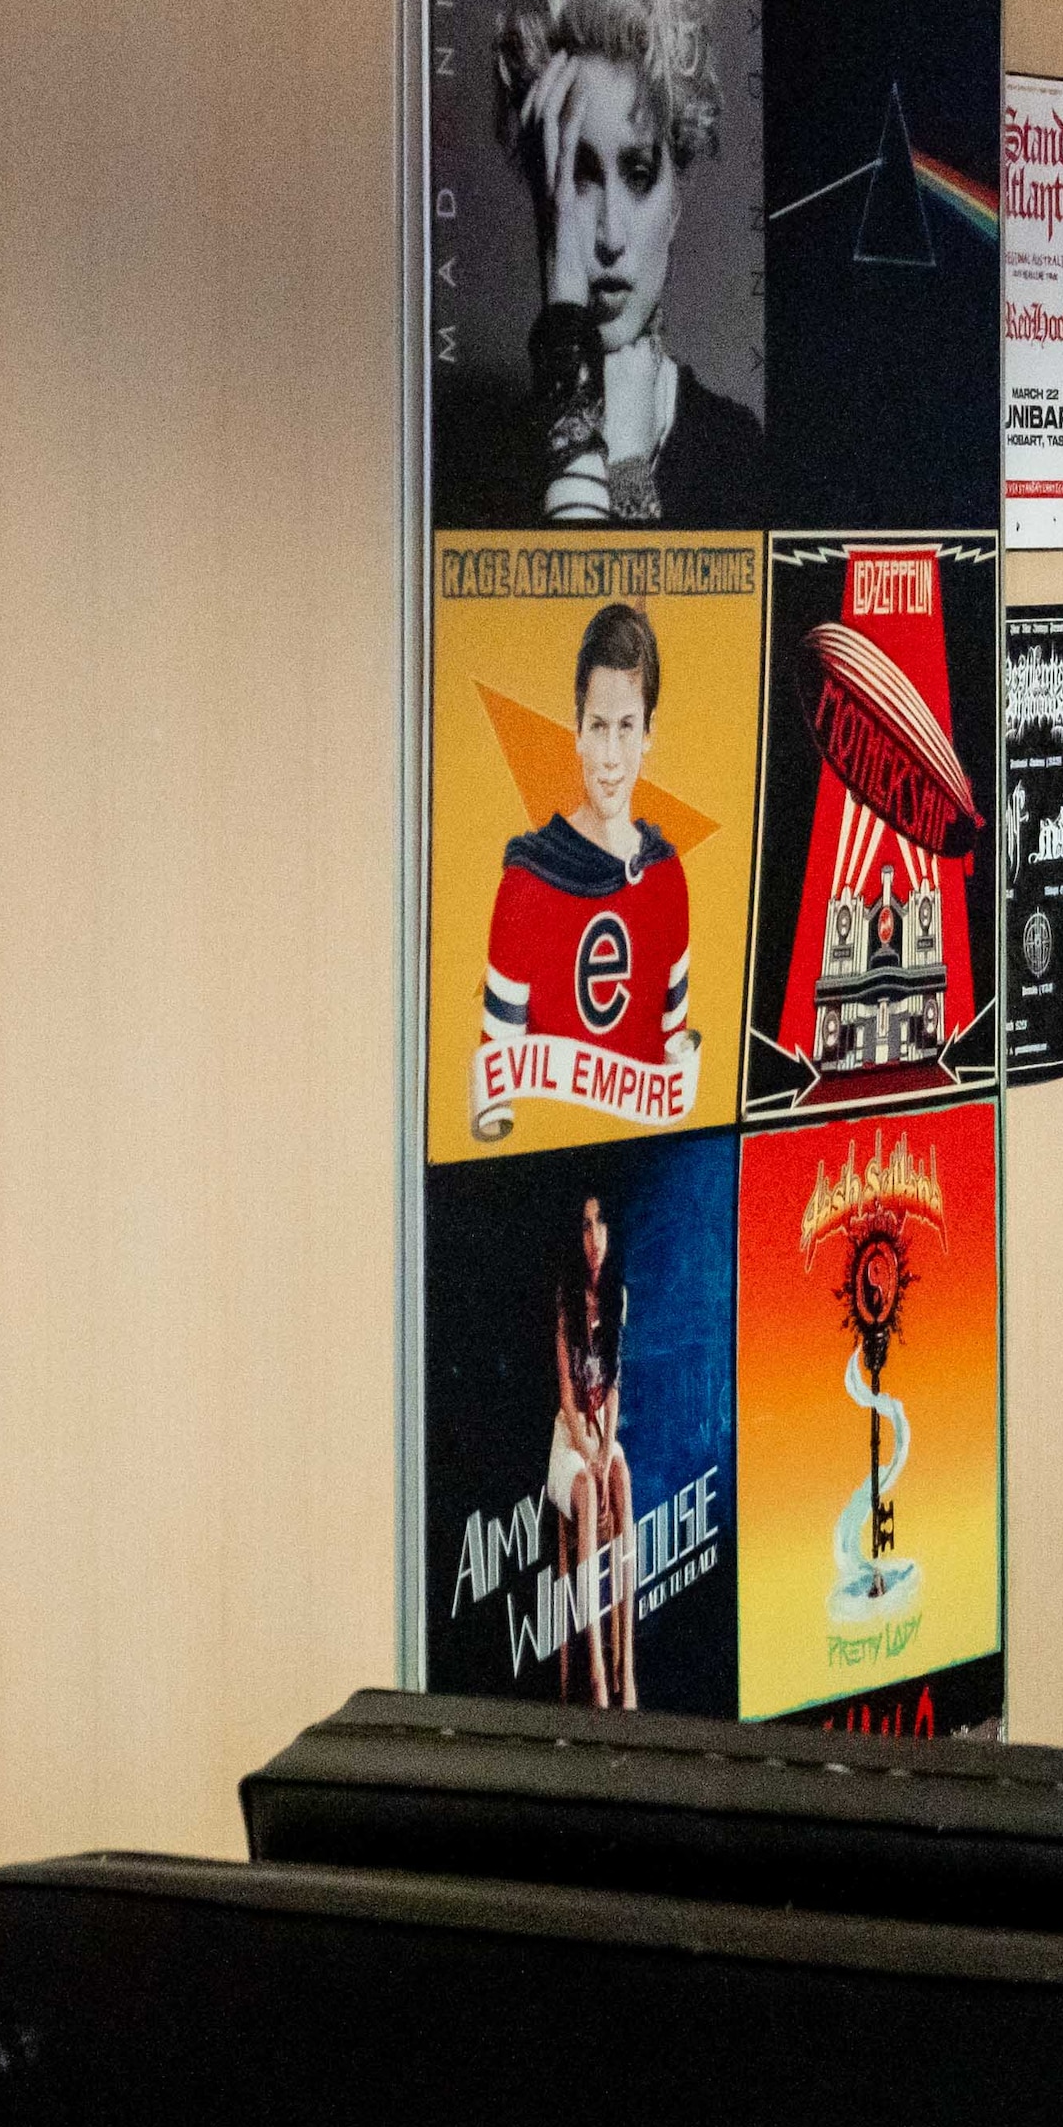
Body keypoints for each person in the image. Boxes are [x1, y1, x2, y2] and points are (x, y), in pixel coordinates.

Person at [475, 0, 759, 522]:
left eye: (637, 176)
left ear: (676, 200)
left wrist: (630, 475)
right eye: (578, 177)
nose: (607, 236)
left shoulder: (738, 454)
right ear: (542, 197)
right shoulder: (484, 469)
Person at [476, 605, 698, 1140]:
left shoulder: (666, 880)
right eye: (598, 727)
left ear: (649, 734)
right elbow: (496, 1103)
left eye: (627, 728)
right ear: (575, 729)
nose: (610, 758)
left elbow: (675, 1052)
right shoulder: (525, 885)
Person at [543, 1191, 639, 1708]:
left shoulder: (617, 1296)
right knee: (585, 1487)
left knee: (624, 1481)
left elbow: (616, 1388)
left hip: (602, 1436)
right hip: (571, 1437)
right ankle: (598, 1674)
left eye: (601, 1224)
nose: (594, 1236)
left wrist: (607, 1460)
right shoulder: (566, 1299)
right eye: (585, 1226)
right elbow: (565, 1395)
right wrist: (592, 1462)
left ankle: (628, 1664)